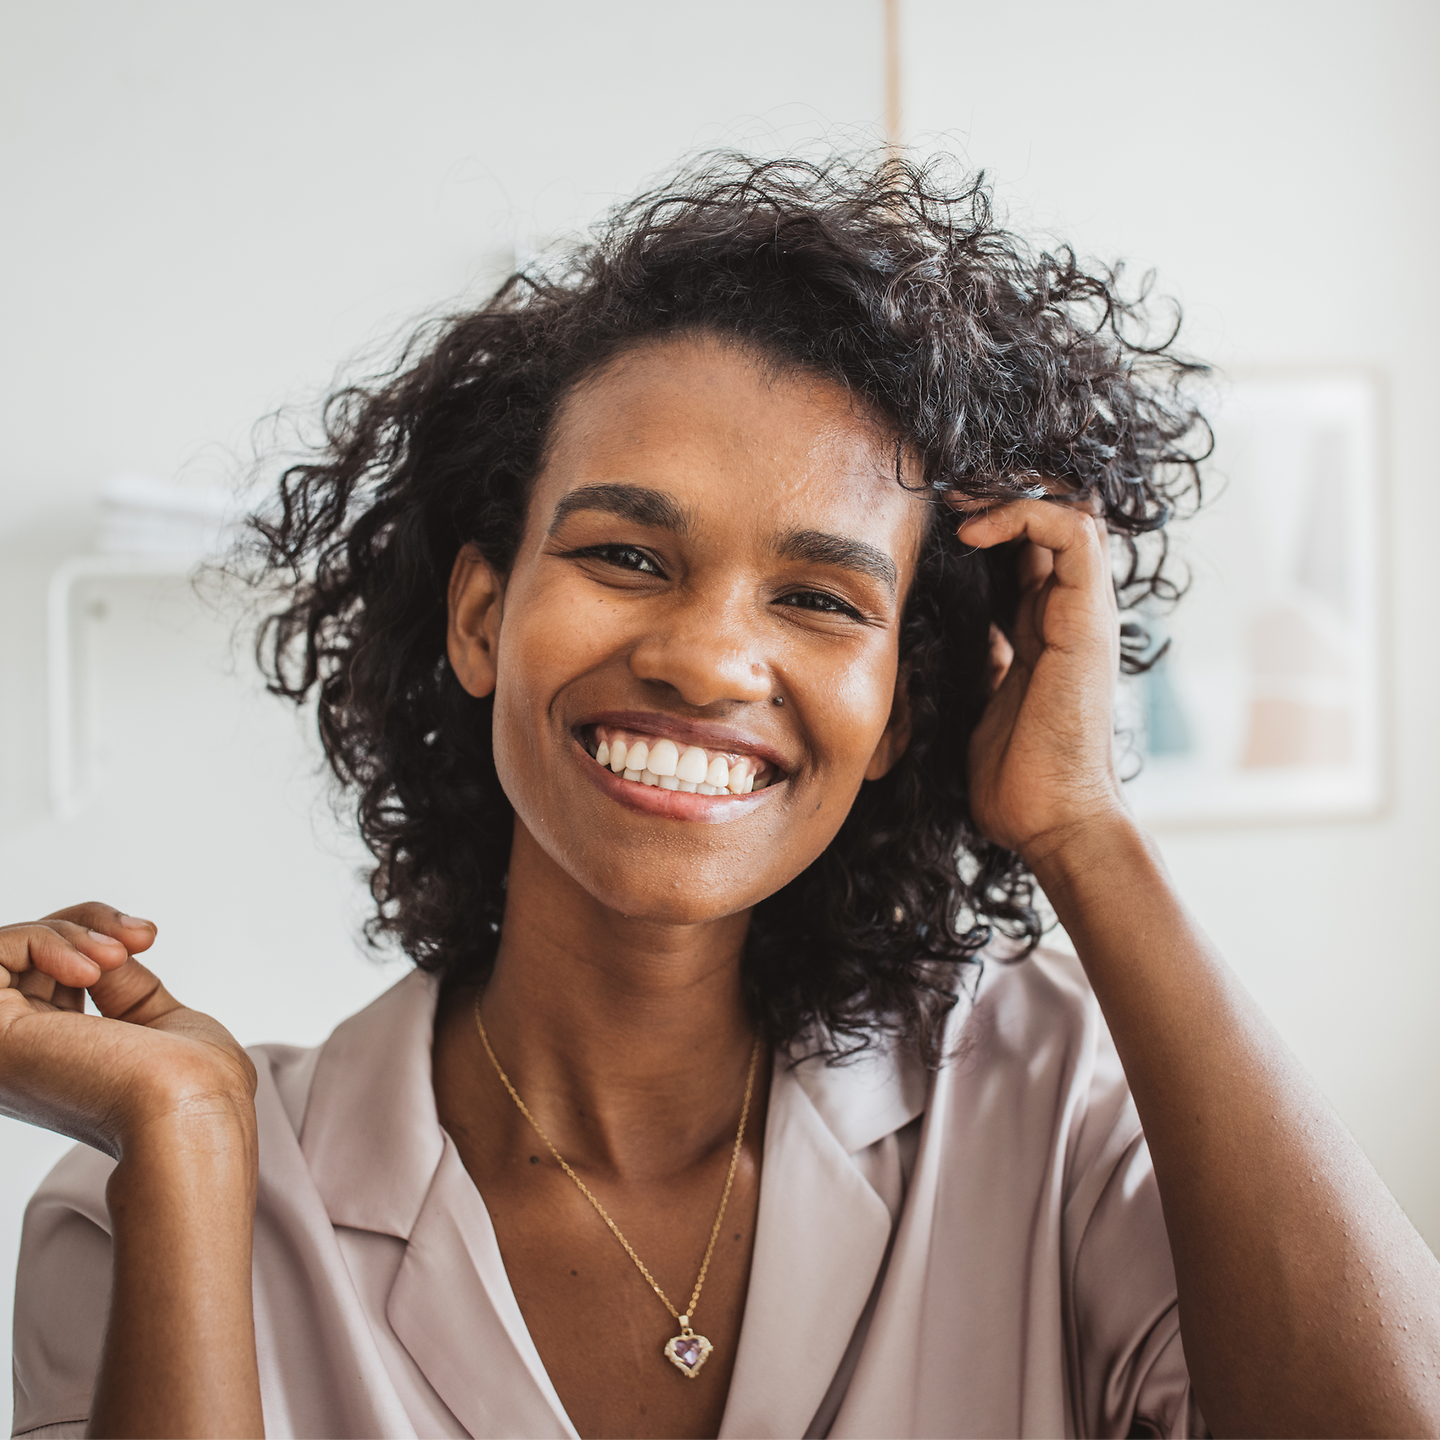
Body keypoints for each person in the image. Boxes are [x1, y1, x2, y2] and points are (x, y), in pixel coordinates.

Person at [4, 154, 1438, 1440]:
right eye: (627, 556)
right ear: (482, 619)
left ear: (899, 715)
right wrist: (188, 1135)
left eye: (819, 597)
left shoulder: (1044, 1102)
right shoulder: (159, 1205)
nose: (703, 659)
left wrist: (1084, 831)